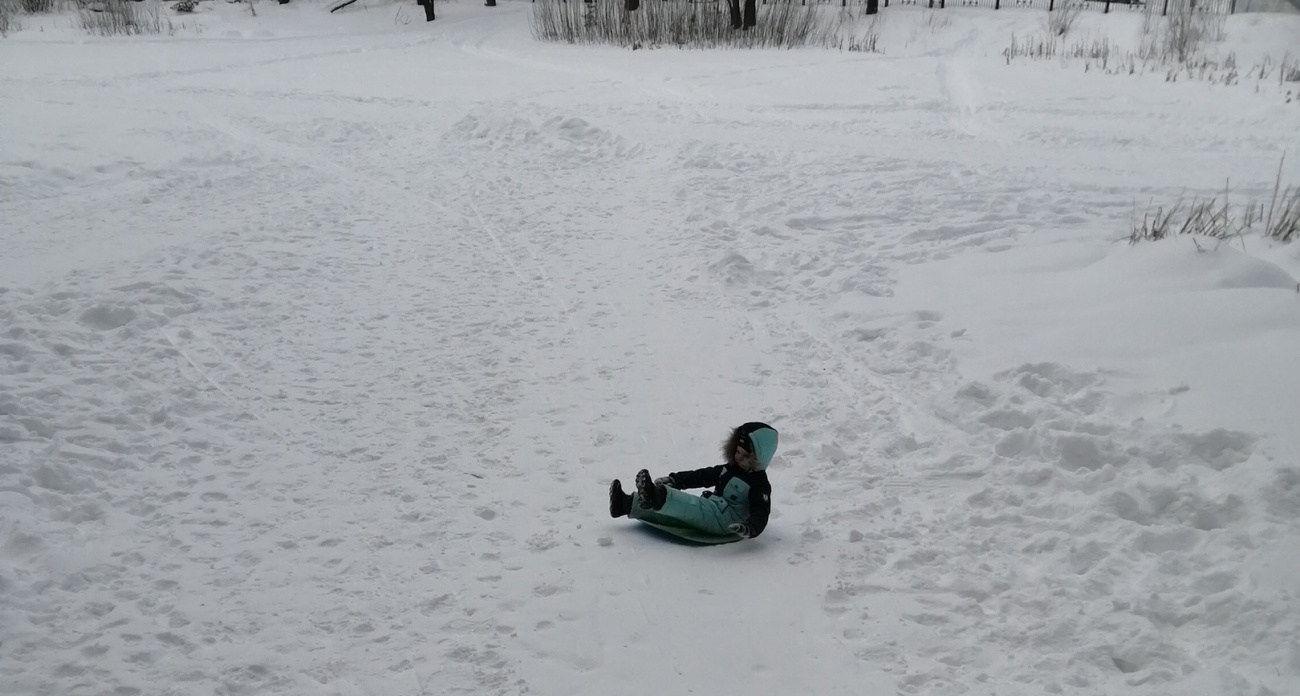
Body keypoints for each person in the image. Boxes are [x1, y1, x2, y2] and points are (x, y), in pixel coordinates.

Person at [609, 422, 778, 539]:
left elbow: (761, 513)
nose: (738, 458)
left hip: (726, 523)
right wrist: (675, 480)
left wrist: (749, 528)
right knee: (675, 514)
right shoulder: (730, 468)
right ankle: (625, 503)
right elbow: (702, 476)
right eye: (737, 452)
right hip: (712, 509)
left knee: (689, 505)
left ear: (759, 458)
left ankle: (657, 496)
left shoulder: (759, 484)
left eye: (745, 455)